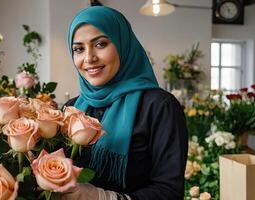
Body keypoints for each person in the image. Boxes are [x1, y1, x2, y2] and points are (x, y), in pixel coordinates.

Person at [61, 6, 188, 200]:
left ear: (123, 44)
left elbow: (169, 190)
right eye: (78, 49)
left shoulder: (159, 106)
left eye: (101, 44)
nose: (89, 58)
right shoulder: (71, 108)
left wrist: (104, 198)